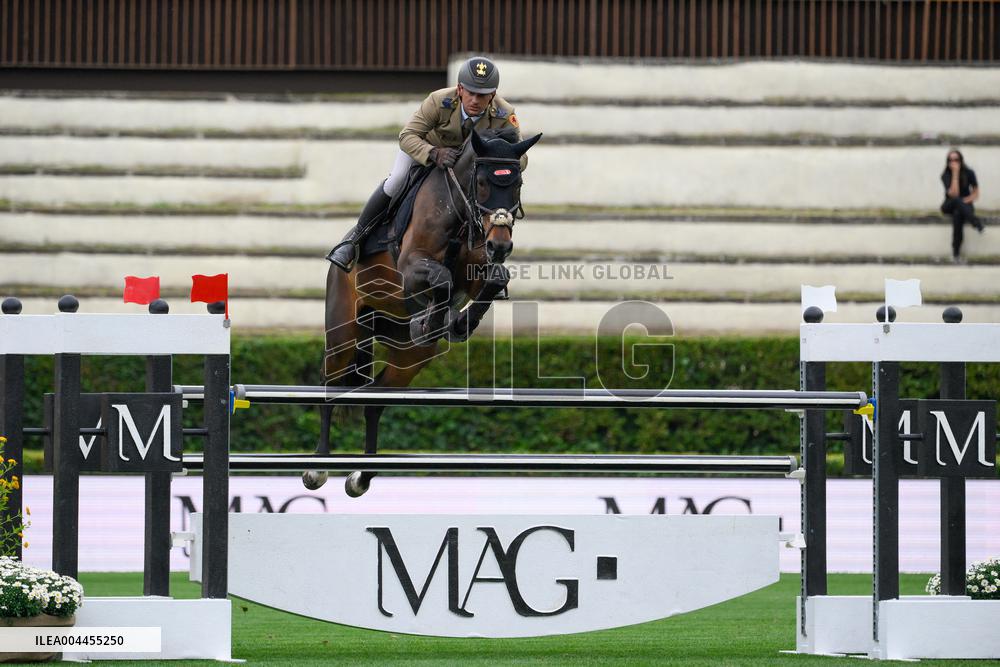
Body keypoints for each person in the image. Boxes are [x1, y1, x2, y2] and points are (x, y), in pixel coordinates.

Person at [327, 56, 526, 272]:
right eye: (471, 93)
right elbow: (407, 136)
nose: (475, 100)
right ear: (460, 89)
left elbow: (521, 156)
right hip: (425, 150)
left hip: (470, 167)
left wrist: (502, 163)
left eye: (483, 95)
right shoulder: (439, 101)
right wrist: (433, 153)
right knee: (396, 180)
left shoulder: (504, 113)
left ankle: (489, 258)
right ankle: (355, 239)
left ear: (493, 95)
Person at [940, 148, 984, 263]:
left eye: (956, 159)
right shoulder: (945, 175)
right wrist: (955, 174)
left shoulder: (969, 172)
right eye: (950, 160)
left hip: (965, 205)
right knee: (956, 200)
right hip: (949, 205)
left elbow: (976, 193)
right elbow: (954, 194)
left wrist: (964, 201)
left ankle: (956, 253)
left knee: (958, 214)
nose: (953, 162)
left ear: (961, 160)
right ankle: (975, 222)